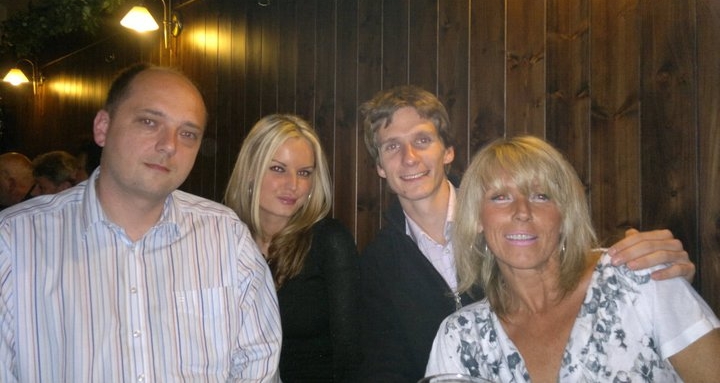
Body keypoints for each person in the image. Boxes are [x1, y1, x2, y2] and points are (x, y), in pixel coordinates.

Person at [356, 85, 697, 382]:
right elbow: (383, 366)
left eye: (422, 140)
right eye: (392, 147)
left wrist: (649, 272)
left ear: (448, 151)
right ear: (379, 167)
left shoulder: (508, 221)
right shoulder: (376, 264)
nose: (409, 158)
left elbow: (579, 270)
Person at [0, 63, 282, 382]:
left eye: (188, 134)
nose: (169, 145)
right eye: (149, 122)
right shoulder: (13, 242)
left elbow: (259, 366)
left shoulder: (227, 238)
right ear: (103, 127)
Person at [425, 135, 720, 381]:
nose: (522, 212)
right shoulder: (462, 337)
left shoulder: (638, 278)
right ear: (477, 218)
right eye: (500, 197)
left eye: (541, 196)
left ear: (565, 215)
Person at [224, 114, 360, 382]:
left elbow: (351, 354)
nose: (293, 185)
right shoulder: (223, 239)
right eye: (278, 169)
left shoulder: (328, 241)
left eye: (304, 173)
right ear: (250, 172)